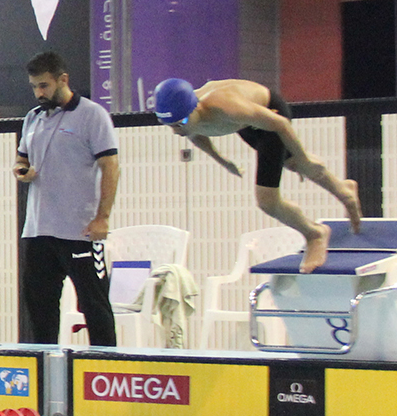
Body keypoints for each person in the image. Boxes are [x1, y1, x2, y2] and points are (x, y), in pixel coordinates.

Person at [154, 78, 362, 273]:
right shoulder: (186, 117)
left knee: (269, 200)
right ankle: (344, 190)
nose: (174, 131)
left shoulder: (226, 107)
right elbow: (194, 133)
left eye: (178, 124)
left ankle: (315, 234)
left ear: (195, 108)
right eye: (169, 125)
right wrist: (223, 161)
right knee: (291, 162)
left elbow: (280, 124)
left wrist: (305, 159)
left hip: (271, 111)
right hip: (246, 124)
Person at [18, 52, 121, 346]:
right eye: (34, 87)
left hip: (79, 231)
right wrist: (20, 170)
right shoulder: (33, 118)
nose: (39, 93)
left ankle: (105, 370)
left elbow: (110, 167)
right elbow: (21, 157)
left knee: (94, 305)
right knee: (40, 309)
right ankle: (44, 372)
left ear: (63, 80)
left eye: (44, 86)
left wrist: (102, 217)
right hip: (38, 230)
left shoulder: (92, 115)